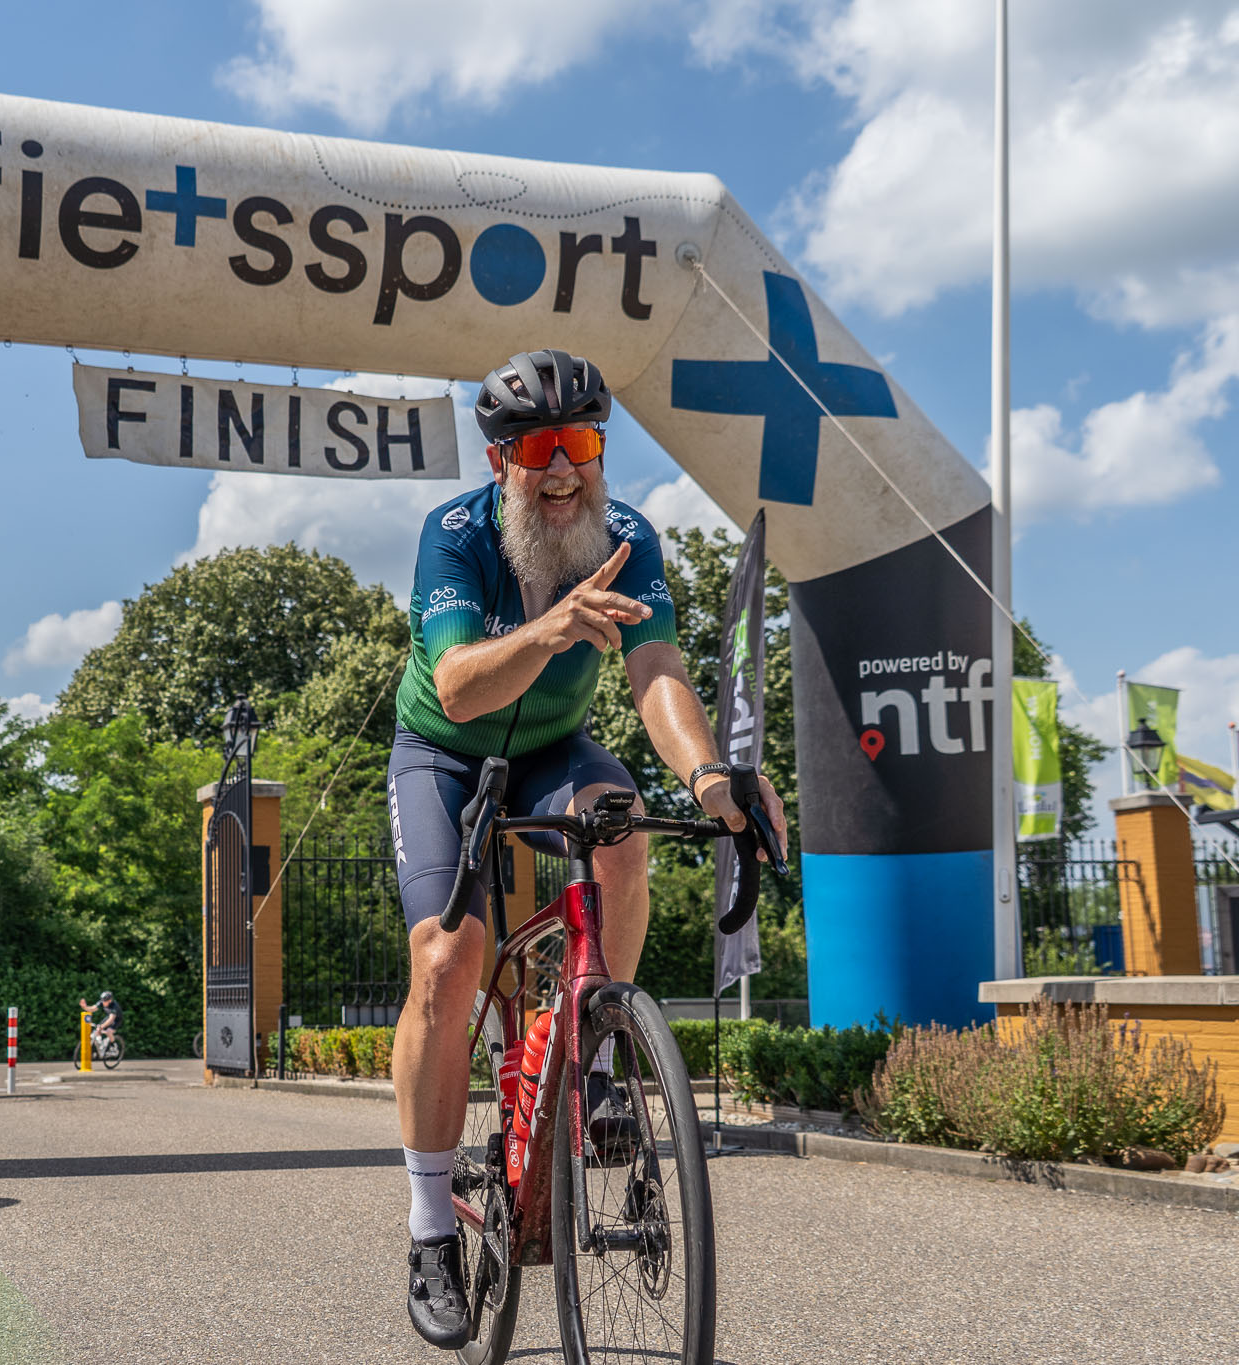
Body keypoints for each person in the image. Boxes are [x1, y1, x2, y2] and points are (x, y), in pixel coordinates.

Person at [387, 349, 788, 1349]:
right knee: (446, 959)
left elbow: (655, 670)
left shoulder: (627, 539)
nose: (560, 468)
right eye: (536, 448)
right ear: (498, 458)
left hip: (554, 750)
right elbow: (458, 692)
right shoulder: (455, 538)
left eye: (579, 443)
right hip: (444, 754)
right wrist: (553, 629)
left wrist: (705, 777)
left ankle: (595, 1049)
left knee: (621, 820)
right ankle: (431, 1227)